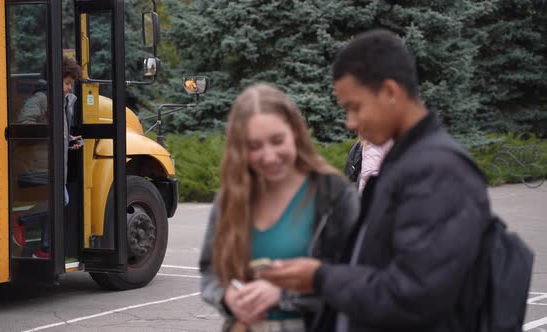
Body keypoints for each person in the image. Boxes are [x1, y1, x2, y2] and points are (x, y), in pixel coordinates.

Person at [259, 29, 492, 332]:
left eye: (354, 107)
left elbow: (415, 295)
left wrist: (319, 278)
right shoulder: (405, 161)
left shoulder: (438, 171)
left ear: (390, 92)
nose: (350, 123)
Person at [199, 84, 359, 331]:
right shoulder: (230, 198)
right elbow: (210, 272)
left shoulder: (333, 194)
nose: (269, 156)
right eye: (254, 146)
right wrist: (227, 296)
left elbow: (358, 281)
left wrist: (283, 295)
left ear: (295, 132)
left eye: (277, 140)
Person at [14, 56, 83, 258]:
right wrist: (50, 134)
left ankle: (44, 249)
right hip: (39, 164)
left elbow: (57, 130)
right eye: (67, 83)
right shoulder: (41, 98)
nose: (70, 88)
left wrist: (69, 139)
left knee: (53, 202)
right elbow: (24, 123)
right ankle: (21, 219)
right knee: (61, 200)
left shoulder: (59, 101)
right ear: (55, 79)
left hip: (53, 162)